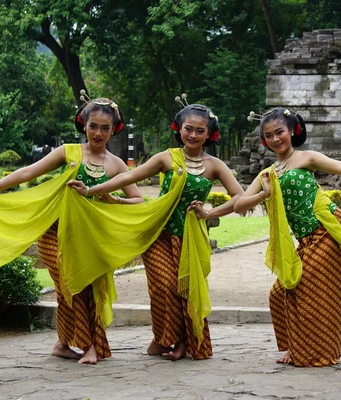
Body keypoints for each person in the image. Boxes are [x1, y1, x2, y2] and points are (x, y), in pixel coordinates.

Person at [0, 94, 143, 365]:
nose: (98, 133)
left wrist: (112, 198)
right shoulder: (68, 152)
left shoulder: (116, 164)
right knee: (69, 285)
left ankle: (63, 343)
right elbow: (28, 172)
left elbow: (137, 200)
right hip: (55, 232)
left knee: (87, 289)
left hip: (91, 237)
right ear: (83, 125)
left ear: (114, 129)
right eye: (93, 126)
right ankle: (88, 346)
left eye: (105, 128)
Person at [68, 100, 243, 361]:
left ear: (210, 134)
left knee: (186, 289)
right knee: (164, 287)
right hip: (157, 233)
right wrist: (92, 191)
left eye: (200, 131)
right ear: (179, 129)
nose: (193, 135)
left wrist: (209, 212)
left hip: (190, 238)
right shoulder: (166, 158)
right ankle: (165, 340)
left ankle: (181, 343)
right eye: (188, 129)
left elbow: (239, 197)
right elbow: (129, 177)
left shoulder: (215, 165)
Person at [234, 108, 341, 367]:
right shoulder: (267, 174)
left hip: (327, 229)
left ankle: (320, 352)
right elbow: (239, 205)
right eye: (269, 136)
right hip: (306, 240)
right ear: (264, 141)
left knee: (316, 291)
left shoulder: (305, 158)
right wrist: (262, 195)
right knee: (281, 293)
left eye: (280, 132)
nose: (275, 139)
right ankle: (297, 346)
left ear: (292, 131)